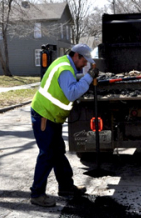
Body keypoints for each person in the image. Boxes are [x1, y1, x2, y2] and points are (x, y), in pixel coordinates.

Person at [30, 44, 99, 207]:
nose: (85, 64)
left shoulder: (65, 64)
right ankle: (37, 194)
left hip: (51, 117)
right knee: (47, 154)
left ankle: (66, 187)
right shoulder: (65, 69)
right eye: (84, 61)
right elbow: (72, 93)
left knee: (58, 152)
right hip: (44, 115)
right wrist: (88, 78)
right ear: (76, 56)